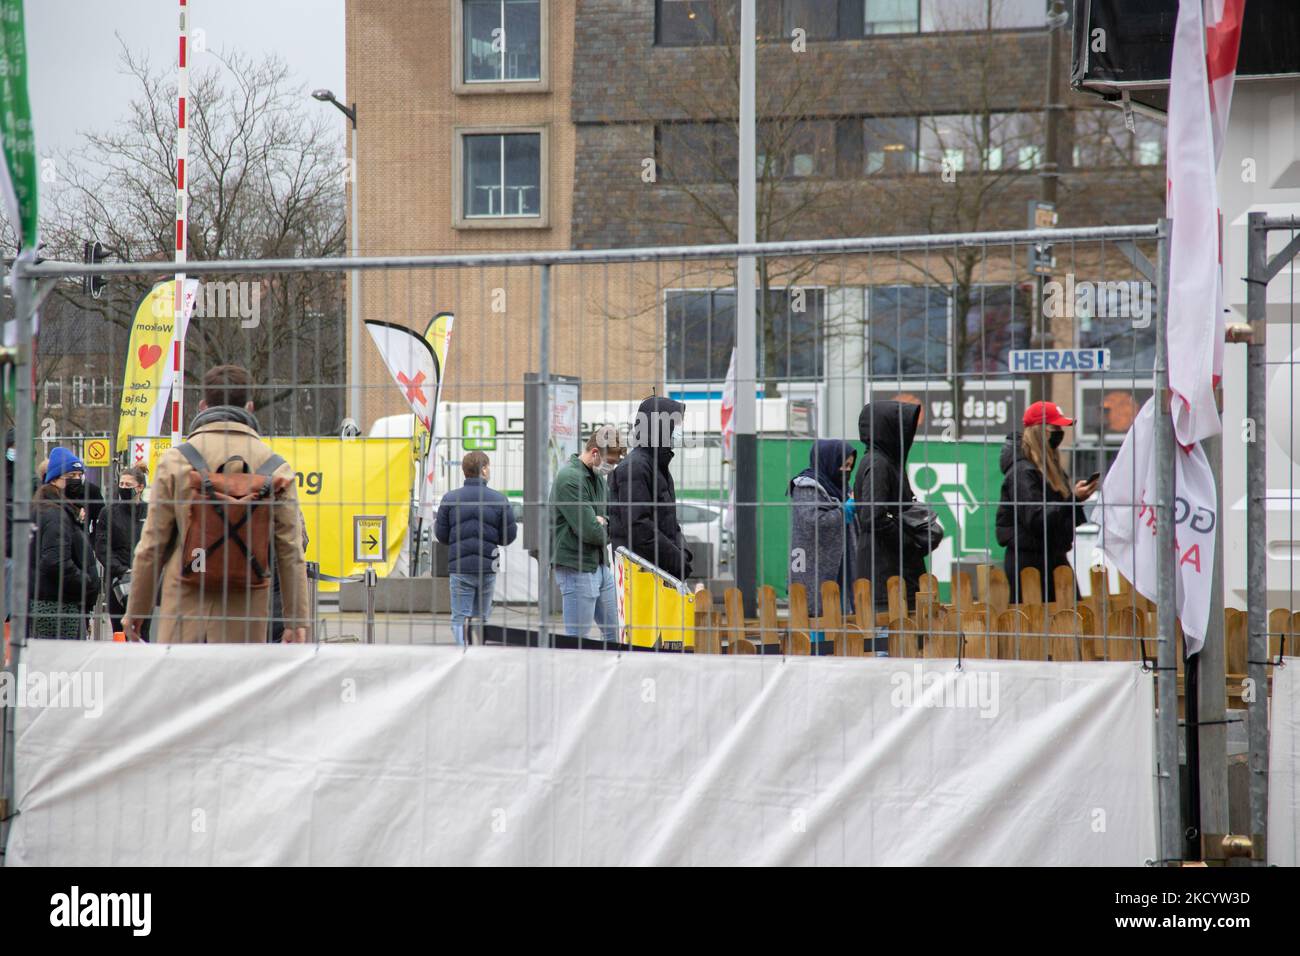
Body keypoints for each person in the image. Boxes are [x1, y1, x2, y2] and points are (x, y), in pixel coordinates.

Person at [123, 365, 310, 644]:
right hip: (245, 614)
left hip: (183, 611)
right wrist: (295, 621)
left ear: (202, 405)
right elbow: (291, 550)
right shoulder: (275, 467)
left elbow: (152, 546)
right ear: (249, 406)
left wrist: (137, 610)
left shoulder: (176, 461)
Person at [996, 401, 1098, 603]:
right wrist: (1072, 500)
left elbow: (1060, 520)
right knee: (1036, 626)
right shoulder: (1022, 471)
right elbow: (1036, 519)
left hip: (1053, 557)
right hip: (1029, 564)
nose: (1060, 433)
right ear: (1039, 431)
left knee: (1069, 619)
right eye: (1055, 428)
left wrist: (1075, 502)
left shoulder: (1051, 469)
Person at [434, 450, 516, 645]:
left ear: (464, 471)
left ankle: (463, 652)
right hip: (488, 567)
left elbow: (442, 535)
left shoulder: (450, 499)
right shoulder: (499, 499)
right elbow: (508, 537)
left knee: (459, 617)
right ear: (485, 469)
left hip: (460, 567)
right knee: (481, 618)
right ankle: (478, 653)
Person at [607, 395, 693, 581]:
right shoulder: (636, 466)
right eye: (675, 424)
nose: (679, 431)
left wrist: (684, 553)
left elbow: (669, 521)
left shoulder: (658, 465)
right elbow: (639, 526)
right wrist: (676, 560)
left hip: (660, 573)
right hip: (643, 576)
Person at [854, 400, 926, 614]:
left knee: (903, 642)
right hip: (886, 572)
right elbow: (872, 516)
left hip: (894, 569)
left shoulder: (888, 462)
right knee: (890, 642)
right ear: (887, 429)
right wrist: (908, 539)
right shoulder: (879, 464)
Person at [550, 427, 618, 641]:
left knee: (614, 632)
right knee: (578, 639)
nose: (612, 467)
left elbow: (611, 518)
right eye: (610, 461)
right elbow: (591, 532)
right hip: (576, 567)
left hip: (599, 565)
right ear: (595, 452)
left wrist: (603, 522)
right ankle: (575, 675)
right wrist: (601, 524)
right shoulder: (570, 478)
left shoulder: (597, 478)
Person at [29, 447, 100, 639]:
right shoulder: (54, 514)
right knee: (63, 664)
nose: (76, 479)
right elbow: (55, 561)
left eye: (79, 474)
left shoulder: (56, 509)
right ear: (54, 479)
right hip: (57, 605)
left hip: (59, 601)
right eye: (71, 475)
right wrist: (85, 581)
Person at [788, 439, 857, 617]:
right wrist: (844, 511)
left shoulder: (843, 488)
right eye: (843, 465)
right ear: (829, 461)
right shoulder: (806, 487)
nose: (847, 471)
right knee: (817, 621)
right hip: (814, 567)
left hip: (843, 565)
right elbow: (813, 521)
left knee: (842, 620)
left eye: (850, 466)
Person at [93, 466, 150, 640]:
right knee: (120, 632)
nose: (124, 487)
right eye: (121, 484)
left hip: (144, 582)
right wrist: (122, 571)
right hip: (117, 583)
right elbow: (102, 547)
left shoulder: (151, 512)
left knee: (143, 633)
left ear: (140, 487)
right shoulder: (108, 513)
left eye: (128, 484)